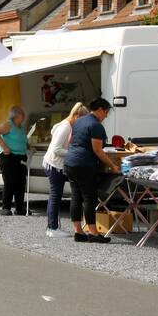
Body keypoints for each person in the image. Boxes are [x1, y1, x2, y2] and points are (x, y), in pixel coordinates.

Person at [63, 98, 120, 243]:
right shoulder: (96, 125)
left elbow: (70, 141)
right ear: (100, 109)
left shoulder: (78, 121)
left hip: (70, 162)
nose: (106, 116)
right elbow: (98, 150)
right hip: (84, 164)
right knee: (89, 198)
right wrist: (113, 166)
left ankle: (78, 232)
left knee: (76, 197)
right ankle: (94, 233)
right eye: (106, 112)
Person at [42, 103, 88, 236]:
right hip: (54, 165)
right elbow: (56, 149)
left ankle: (52, 227)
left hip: (56, 164)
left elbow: (53, 133)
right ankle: (53, 228)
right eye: (82, 119)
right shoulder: (66, 127)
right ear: (76, 115)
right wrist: (73, 153)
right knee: (55, 196)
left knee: (55, 196)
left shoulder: (67, 124)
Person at [0, 106, 29, 217]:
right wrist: (4, 146)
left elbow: (23, 140)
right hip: (7, 156)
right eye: (22, 114)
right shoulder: (9, 124)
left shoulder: (20, 127)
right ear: (16, 115)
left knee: (21, 182)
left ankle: (20, 208)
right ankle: (5, 207)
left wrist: (28, 146)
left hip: (20, 157)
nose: (24, 116)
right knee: (10, 181)